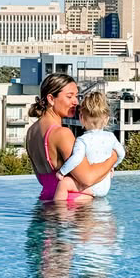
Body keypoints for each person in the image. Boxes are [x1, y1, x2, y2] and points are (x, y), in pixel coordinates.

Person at [26, 73, 118, 204]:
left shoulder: (31, 132)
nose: (76, 102)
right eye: (70, 96)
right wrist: (113, 158)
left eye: (76, 96)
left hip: (46, 203)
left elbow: (44, 179)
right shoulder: (62, 134)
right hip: (75, 209)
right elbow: (87, 178)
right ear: (51, 99)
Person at [54, 91, 125, 201]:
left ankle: (59, 214)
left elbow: (76, 159)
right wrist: (112, 166)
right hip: (105, 186)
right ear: (106, 119)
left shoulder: (82, 140)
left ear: (81, 118)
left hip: (92, 186)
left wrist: (61, 172)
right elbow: (121, 153)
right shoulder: (111, 137)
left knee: (63, 184)